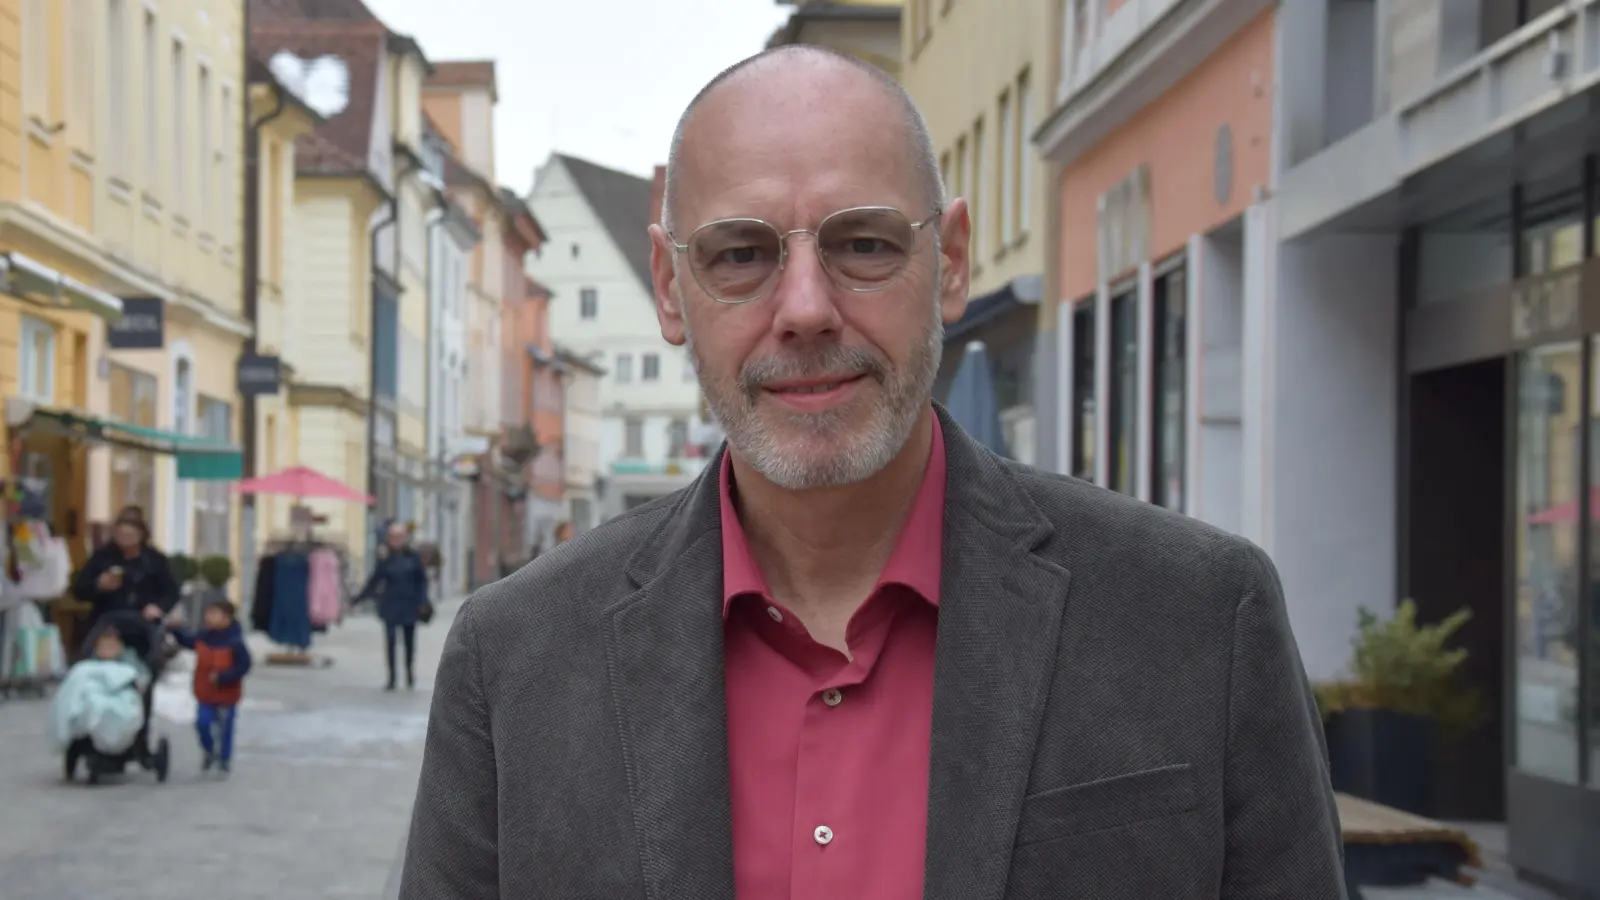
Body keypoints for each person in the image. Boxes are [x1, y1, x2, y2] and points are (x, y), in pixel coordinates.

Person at [401, 46, 1344, 900]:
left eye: (864, 244)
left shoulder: (1196, 618)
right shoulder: (516, 658)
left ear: (952, 261)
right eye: (741, 255)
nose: (806, 310)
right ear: (669, 289)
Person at [167, 599, 252, 774]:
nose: (209, 617)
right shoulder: (204, 637)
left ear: (226, 618)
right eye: (208, 613)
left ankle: (224, 759)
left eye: (214, 614)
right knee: (202, 724)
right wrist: (174, 628)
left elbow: (244, 665)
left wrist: (224, 676)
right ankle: (209, 750)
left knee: (226, 727)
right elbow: (188, 641)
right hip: (205, 692)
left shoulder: (235, 641)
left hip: (227, 693)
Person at [71, 512, 179, 643]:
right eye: (121, 536)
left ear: (141, 535)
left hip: (144, 624)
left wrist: (159, 607)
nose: (125, 540)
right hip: (106, 622)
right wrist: (98, 585)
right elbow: (79, 590)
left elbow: (172, 592)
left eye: (130, 536)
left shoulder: (155, 560)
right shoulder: (102, 557)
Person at [357, 521, 430, 691]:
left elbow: (421, 581)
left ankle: (409, 674)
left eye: (399, 537)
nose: (396, 540)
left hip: (410, 604)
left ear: (404, 538)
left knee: (409, 642)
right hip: (390, 604)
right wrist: (359, 598)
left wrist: (422, 601)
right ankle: (391, 678)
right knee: (390, 641)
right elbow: (374, 579)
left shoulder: (413, 556)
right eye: (393, 537)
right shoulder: (385, 558)